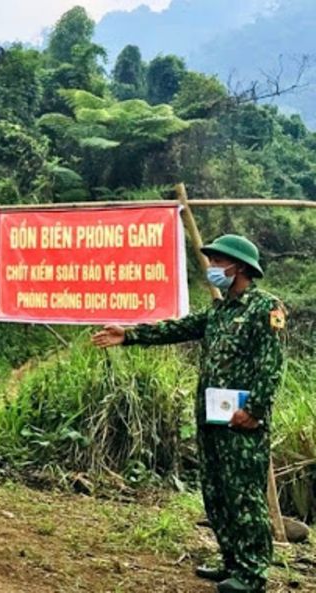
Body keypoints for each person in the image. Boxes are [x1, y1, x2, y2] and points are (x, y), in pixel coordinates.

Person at [92, 234, 285, 593]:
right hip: (213, 420)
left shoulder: (264, 308)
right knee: (217, 492)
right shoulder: (219, 311)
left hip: (243, 423)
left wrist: (255, 410)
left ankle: (253, 573)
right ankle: (232, 562)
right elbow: (177, 328)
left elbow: (271, 365)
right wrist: (129, 335)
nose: (212, 268)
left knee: (244, 495)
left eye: (217, 262)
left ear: (239, 267)